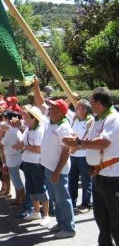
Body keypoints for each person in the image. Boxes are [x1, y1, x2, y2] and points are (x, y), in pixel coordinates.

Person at [63, 87, 119, 245]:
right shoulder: (97, 119)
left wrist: (79, 143)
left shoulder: (113, 118)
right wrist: (78, 142)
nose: (90, 104)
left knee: (116, 222)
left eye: (92, 101)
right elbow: (89, 141)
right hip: (99, 175)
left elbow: (103, 142)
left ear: (99, 103)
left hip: (113, 178)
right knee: (102, 220)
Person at [33, 78, 75, 238]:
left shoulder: (64, 127)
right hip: (49, 168)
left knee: (63, 199)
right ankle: (61, 223)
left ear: (59, 112)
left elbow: (66, 152)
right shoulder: (51, 121)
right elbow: (40, 102)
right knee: (57, 199)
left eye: (52, 108)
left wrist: (57, 171)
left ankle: (69, 229)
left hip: (58, 170)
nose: (48, 109)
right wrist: (36, 87)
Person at [66, 99, 93, 214]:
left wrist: (78, 147)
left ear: (85, 110)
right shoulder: (74, 119)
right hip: (73, 155)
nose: (75, 109)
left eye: (78, 108)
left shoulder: (91, 122)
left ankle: (86, 204)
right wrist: (70, 98)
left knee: (87, 181)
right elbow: (65, 107)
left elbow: (90, 141)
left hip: (84, 156)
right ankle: (71, 202)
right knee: (72, 180)